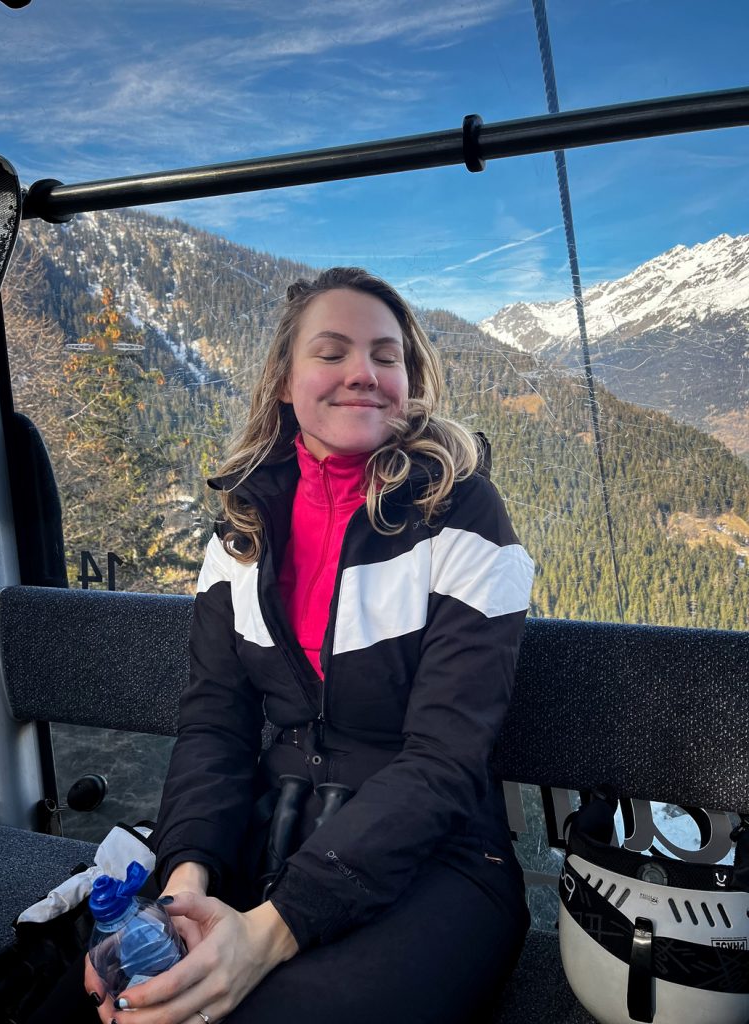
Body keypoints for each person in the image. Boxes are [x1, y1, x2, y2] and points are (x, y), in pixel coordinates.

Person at [82, 267, 535, 1024]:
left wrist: (267, 933)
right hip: (271, 826)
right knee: (117, 999)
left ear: (409, 380)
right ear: (286, 383)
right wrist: (185, 884)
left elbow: (444, 759)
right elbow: (215, 728)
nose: (364, 373)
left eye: (387, 357)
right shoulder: (244, 531)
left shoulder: (462, 518)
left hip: (440, 858)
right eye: (333, 352)